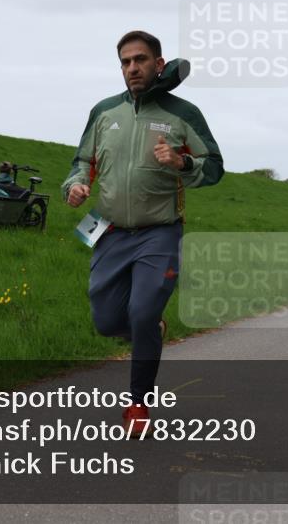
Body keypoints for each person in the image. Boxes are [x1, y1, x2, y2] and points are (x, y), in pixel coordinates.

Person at [61, 30, 224, 437]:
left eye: (140, 59)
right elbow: (81, 162)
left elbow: (215, 166)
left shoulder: (182, 113)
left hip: (159, 233)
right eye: (125, 61)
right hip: (109, 231)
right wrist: (76, 186)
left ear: (158, 63)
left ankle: (137, 404)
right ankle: (151, 331)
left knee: (143, 311)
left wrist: (182, 163)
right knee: (105, 321)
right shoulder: (104, 112)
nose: (132, 67)